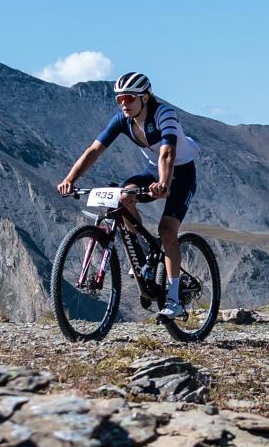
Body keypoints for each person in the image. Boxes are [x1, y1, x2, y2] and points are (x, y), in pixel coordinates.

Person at [56, 71, 200, 320]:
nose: (123, 103)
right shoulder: (122, 120)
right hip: (153, 170)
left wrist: (164, 183)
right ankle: (144, 252)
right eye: (119, 99)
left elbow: (167, 153)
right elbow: (94, 150)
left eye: (129, 99)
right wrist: (70, 179)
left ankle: (175, 299)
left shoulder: (163, 114)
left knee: (167, 231)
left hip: (180, 172)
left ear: (144, 98)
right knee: (123, 198)